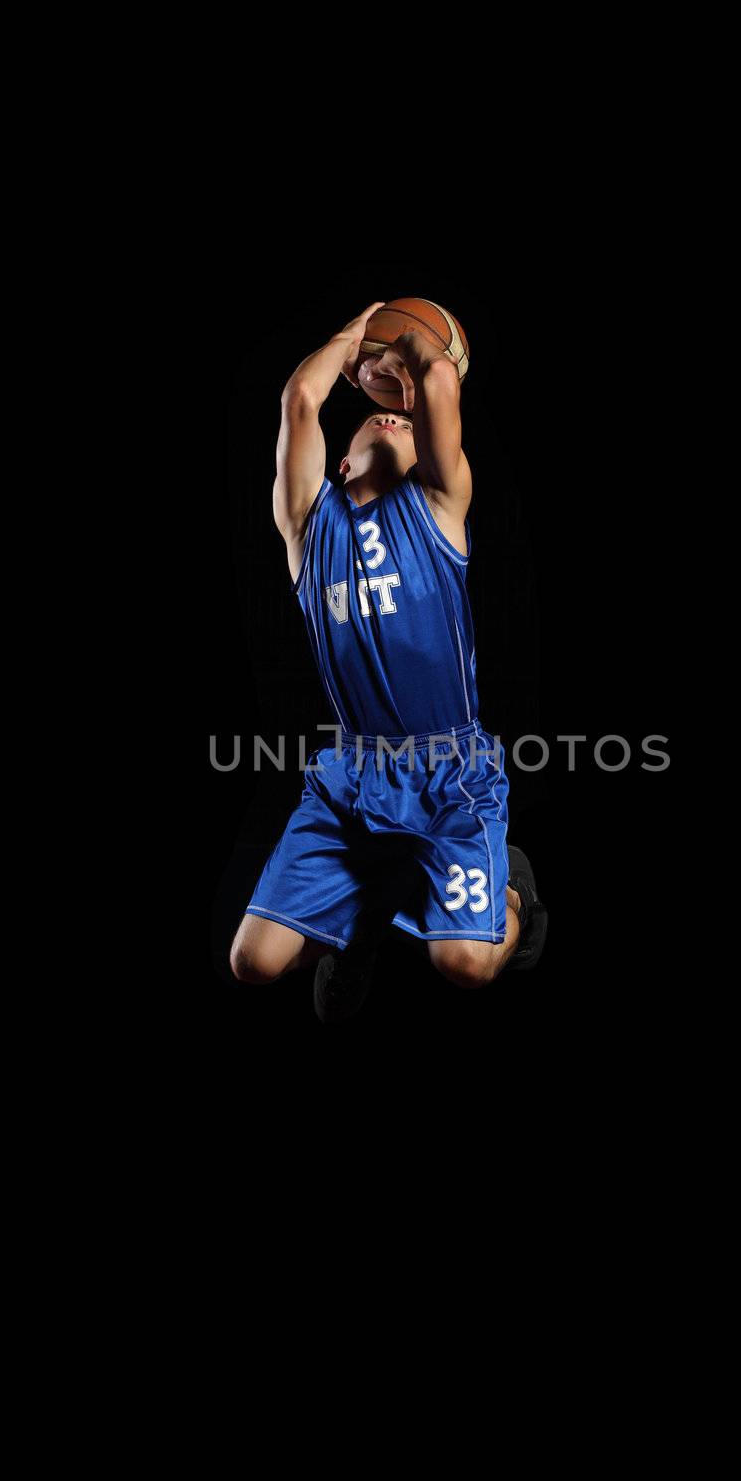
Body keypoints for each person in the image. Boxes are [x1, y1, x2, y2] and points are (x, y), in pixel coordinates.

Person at [230, 301, 547, 1020]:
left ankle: (513, 897)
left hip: (450, 773)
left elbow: (436, 371)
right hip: (352, 776)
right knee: (253, 963)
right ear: (341, 464)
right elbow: (300, 399)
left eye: (407, 422)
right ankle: (368, 915)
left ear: (425, 460)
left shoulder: (437, 507)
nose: (394, 419)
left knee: (467, 965)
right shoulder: (309, 531)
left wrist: (401, 342)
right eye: (379, 417)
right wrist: (354, 333)